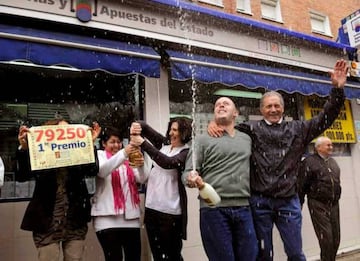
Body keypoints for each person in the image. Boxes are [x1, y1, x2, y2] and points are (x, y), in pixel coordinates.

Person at [208, 59, 348, 260]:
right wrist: (214, 123)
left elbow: (327, 117)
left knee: (295, 253)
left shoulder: (298, 129)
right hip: (259, 203)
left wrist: (337, 90)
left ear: (282, 108)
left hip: (288, 202)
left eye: (276, 106)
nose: (273, 110)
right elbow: (227, 126)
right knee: (264, 254)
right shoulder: (250, 129)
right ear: (261, 110)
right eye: (268, 107)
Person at [183, 96, 258, 261]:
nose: (221, 105)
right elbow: (187, 173)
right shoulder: (201, 140)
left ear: (236, 113)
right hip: (213, 210)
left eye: (226, 103)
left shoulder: (247, 138)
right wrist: (190, 178)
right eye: (217, 104)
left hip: (244, 208)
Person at [15, 118, 100, 261]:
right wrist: (24, 148)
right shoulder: (41, 156)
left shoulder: (78, 155)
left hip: (74, 220)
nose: (66, 134)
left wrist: (89, 144)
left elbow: (92, 170)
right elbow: (22, 176)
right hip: (46, 222)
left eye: (69, 131)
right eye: (61, 131)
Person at [130, 117, 192, 261]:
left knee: (172, 255)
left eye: (175, 130)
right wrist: (136, 126)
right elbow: (144, 127)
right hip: (151, 209)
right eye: (170, 129)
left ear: (184, 132)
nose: (171, 133)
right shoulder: (164, 144)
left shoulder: (185, 152)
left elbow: (168, 162)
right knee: (157, 255)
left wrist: (143, 144)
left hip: (170, 213)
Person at [91, 126, 147, 261]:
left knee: (134, 257)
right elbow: (103, 171)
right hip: (106, 220)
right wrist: (123, 153)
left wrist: (141, 165)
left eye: (119, 142)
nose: (116, 145)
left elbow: (142, 178)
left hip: (131, 220)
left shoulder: (127, 158)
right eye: (112, 142)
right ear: (104, 144)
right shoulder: (100, 155)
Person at [298, 136, 341, 261]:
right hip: (318, 205)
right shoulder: (309, 162)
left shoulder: (333, 162)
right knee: (326, 239)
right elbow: (301, 185)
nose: (331, 147)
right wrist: (299, 204)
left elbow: (337, 182)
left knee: (336, 238)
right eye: (328, 145)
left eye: (331, 145)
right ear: (318, 147)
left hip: (333, 205)